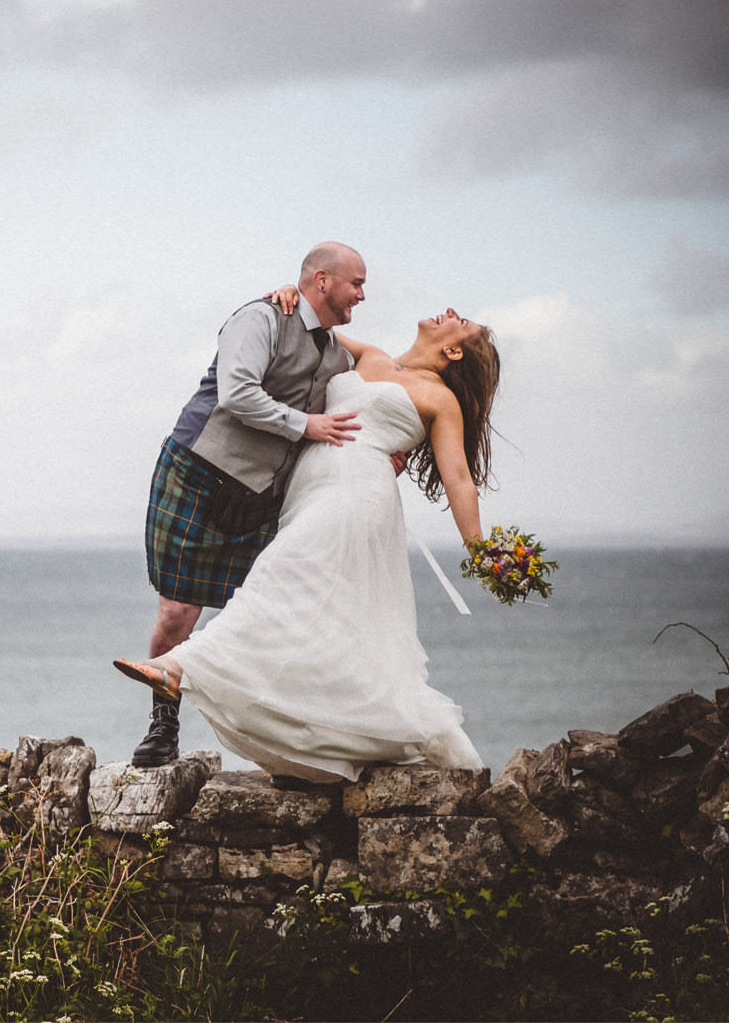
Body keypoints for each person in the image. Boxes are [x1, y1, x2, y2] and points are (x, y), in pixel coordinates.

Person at [115, 309, 501, 784]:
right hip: (306, 489)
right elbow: (306, 332)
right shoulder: (368, 354)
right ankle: (323, 733)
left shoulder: (440, 399)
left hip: (358, 493)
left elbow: (459, 478)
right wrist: (287, 297)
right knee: (317, 612)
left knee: (278, 575)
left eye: (461, 322)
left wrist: (479, 550)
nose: (449, 314)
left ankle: (180, 666)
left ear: (454, 350)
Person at [132, 241, 369, 768]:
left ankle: (281, 738)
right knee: (177, 613)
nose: (362, 294)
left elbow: (361, 401)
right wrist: (306, 424)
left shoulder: (337, 354)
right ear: (323, 280)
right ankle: (162, 725)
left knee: (268, 613)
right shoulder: (260, 317)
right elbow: (237, 393)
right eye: (357, 283)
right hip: (200, 473)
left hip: (263, 496)